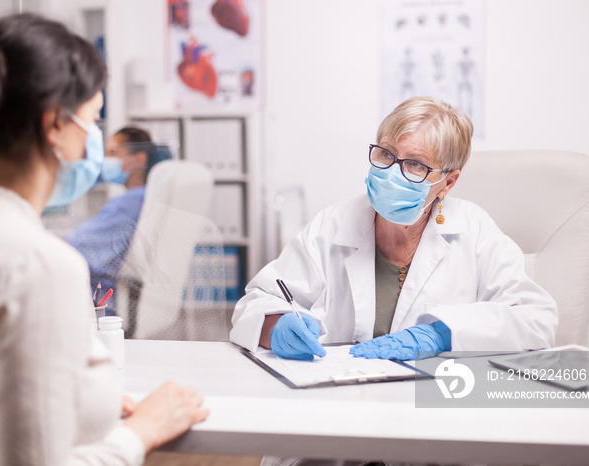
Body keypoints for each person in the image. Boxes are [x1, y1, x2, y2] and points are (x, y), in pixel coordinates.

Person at [0, 13, 207, 465]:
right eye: (92, 119)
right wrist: (144, 431)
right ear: (54, 125)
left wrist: (89, 396)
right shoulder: (39, 265)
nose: (95, 139)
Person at [230, 96, 558, 364]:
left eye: (415, 164)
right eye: (386, 154)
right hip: (337, 406)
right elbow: (257, 302)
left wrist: (442, 334)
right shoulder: (333, 224)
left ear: (448, 182)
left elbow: (536, 320)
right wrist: (275, 327)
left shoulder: (475, 232)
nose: (392, 173)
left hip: (432, 410)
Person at [66, 127, 170, 317]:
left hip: (99, 305)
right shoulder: (145, 199)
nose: (107, 160)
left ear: (139, 159)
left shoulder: (129, 204)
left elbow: (72, 251)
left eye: (114, 153)